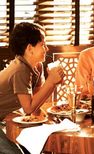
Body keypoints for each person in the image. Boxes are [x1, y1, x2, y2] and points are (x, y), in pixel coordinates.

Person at [0, 22, 64, 153]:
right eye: (43, 45)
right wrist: (51, 82)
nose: (47, 49)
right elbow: (28, 108)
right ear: (30, 48)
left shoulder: (36, 67)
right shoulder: (20, 70)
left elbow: (36, 105)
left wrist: (50, 120)